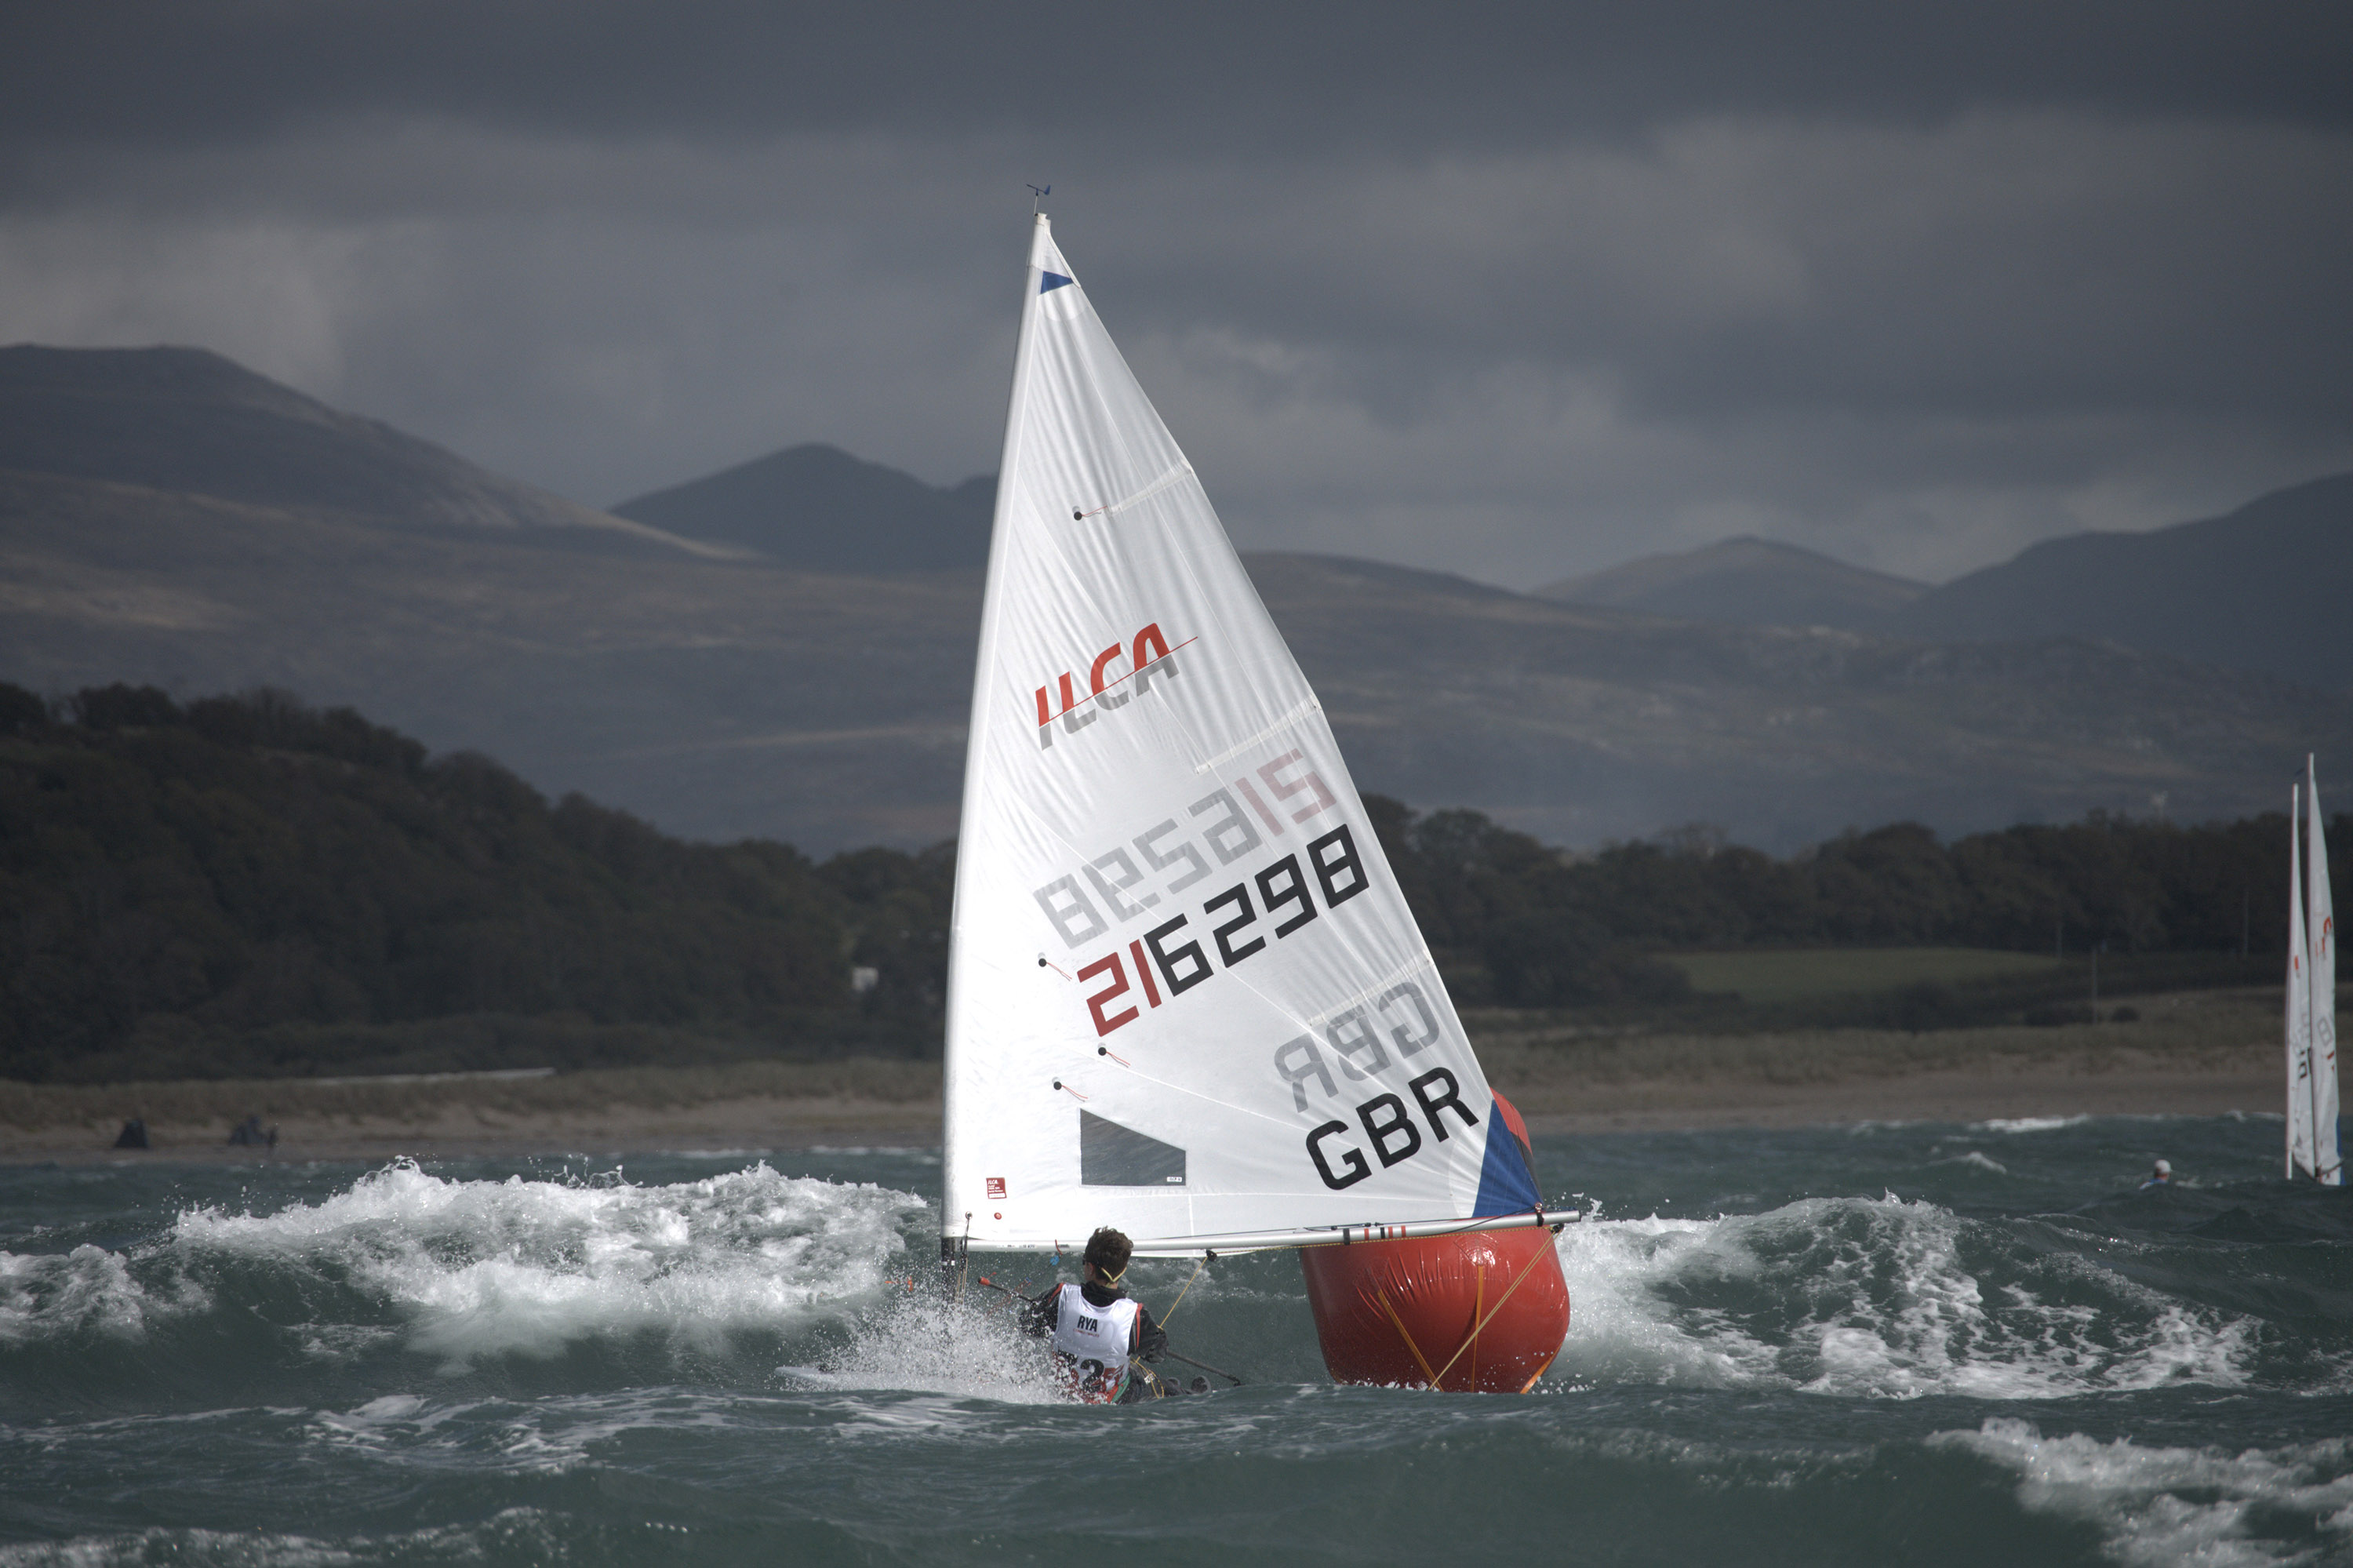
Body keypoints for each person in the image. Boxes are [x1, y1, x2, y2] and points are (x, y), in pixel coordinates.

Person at [1019, 1227, 1172, 1403]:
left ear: (1090, 1268)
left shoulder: (1062, 1296)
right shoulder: (1135, 1317)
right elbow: (1157, 1355)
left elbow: (1027, 1325)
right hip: (1115, 1400)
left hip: (1064, 1396)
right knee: (1162, 1386)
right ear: (1122, 1269)